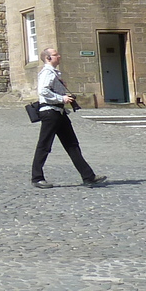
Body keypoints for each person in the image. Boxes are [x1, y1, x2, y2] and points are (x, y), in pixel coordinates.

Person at [32, 48, 107, 189]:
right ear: (48, 58)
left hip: (59, 112)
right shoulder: (47, 72)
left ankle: (88, 176)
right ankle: (37, 177)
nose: (59, 56)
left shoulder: (54, 73)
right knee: (44, 145)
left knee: (72, 145)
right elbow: (43, 91)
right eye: (55, 55)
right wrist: (62, 98)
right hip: (50, 113)